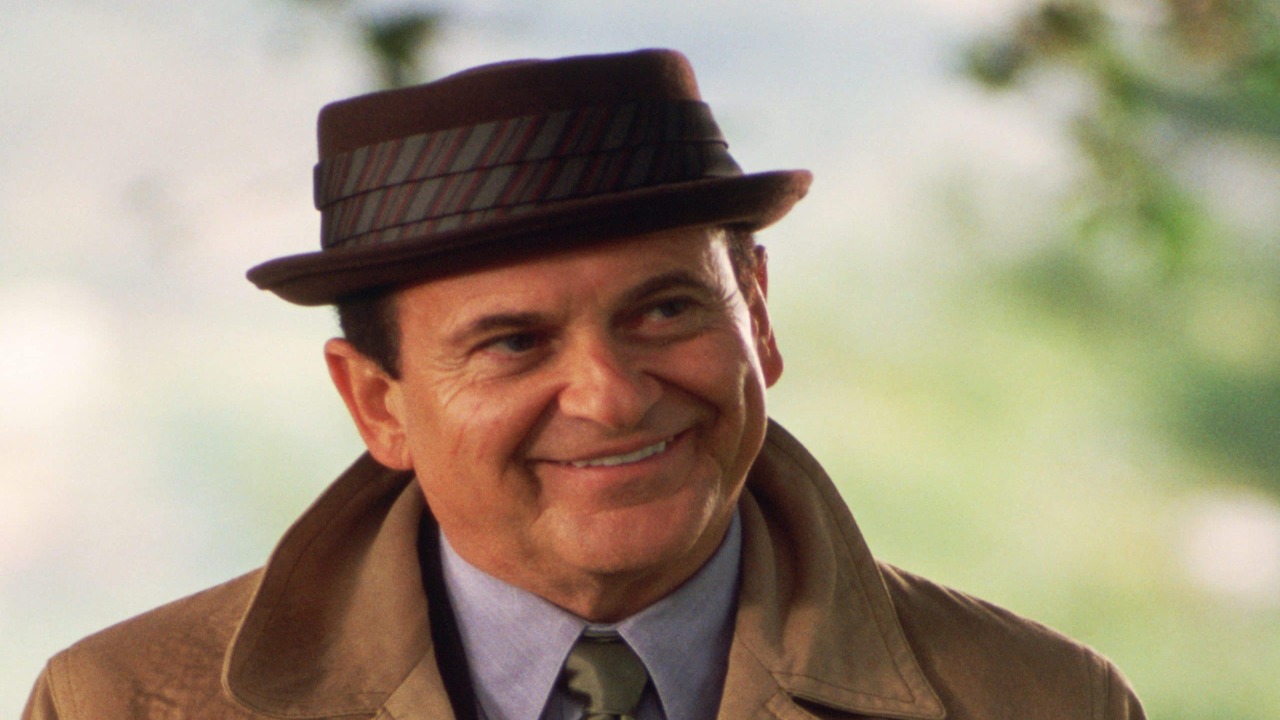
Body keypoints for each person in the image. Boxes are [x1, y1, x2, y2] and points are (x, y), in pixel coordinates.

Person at [23, 49, 1145, 720]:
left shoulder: (1042, 703)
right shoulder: (116, 706)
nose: (610, 396)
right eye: (513, 343)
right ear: (377, 403)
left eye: (664, 310)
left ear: (755, 315)